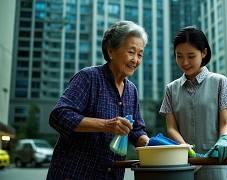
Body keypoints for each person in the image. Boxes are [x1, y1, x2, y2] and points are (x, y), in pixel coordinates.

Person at [47, 20, 150, 180]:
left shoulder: (132, 91)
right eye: (131, 52)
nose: (135, 60)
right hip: (74, 174)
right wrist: (106, 125)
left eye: (140, 54)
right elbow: (59, 116)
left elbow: (136, 130)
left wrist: (151, 145)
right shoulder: (89, 78)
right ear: (111, 51)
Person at [159, 26, 227, 180]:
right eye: (179, 56)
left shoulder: (220, 82)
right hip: (183, 165)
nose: (185, 62)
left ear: (204, 53)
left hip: (215, 164)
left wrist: (225, 139)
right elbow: (171, 127)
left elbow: (225, 122)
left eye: (191, 56)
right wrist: (185, 147)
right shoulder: (171, 89)